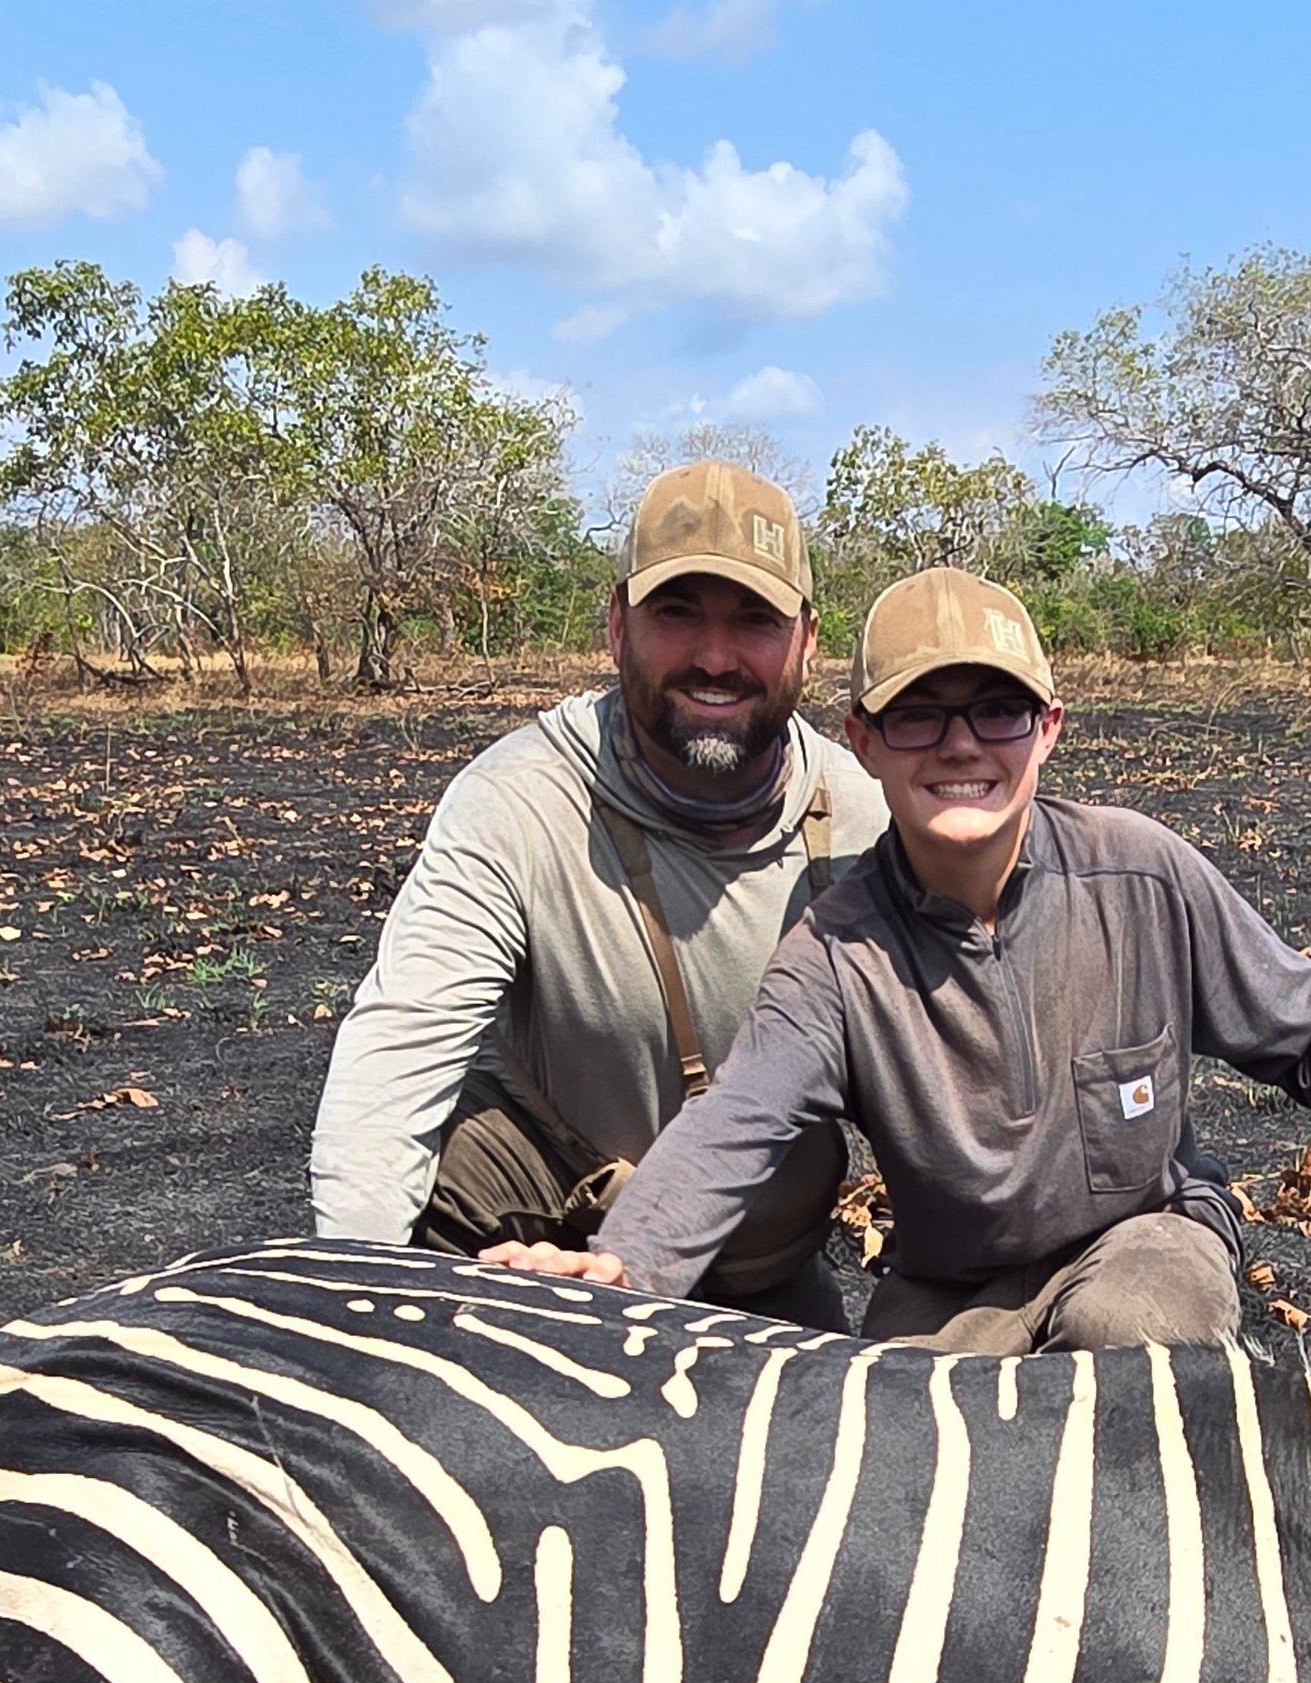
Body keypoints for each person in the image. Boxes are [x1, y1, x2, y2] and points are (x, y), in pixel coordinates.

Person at [484, 569, 1311, 1354]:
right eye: (919, 715)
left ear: (1047, 728)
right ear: (863, 744)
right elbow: (731, 1130)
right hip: (949, 1290)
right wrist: (622, 1266)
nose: (960, 747)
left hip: (1145, 1239)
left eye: (995, 711)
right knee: (891, 1464)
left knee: (1126, 1331)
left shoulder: (1143, 874)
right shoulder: (835, 952)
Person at [303, 459, 880, 1327]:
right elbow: (398, 1050)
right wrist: (351, 1306)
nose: (715, 657)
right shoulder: (519, 798)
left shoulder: (869, 815)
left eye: (754, 620)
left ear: (807, 640)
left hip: (757, 1261)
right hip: (550, 1228)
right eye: (677, 614)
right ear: (616, 625)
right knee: (442, 1159)